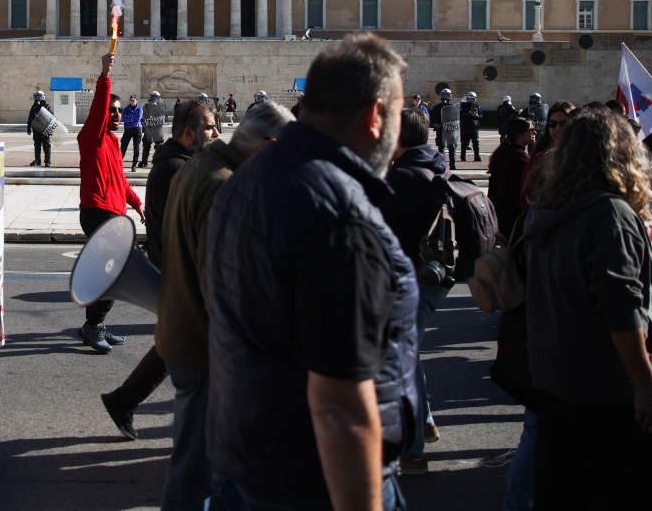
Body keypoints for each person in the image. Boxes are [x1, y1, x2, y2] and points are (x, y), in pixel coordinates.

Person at [208, 33, 418, 511]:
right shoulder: (340, 217)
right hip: (312, 480)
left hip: (248, 454)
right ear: (375, 115)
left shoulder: (250, 175)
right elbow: (340, 406)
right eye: (399, 114)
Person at [523, 106, 652, 509]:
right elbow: (621, 306)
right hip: (607, 392)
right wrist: (645, 387)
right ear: (622, 153)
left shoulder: (544, 212)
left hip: (555, 383)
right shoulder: (610, 214)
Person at [156, 100, 293, 510]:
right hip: (204, 348)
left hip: (185, 333)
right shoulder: (222, 184)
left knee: (206, 464)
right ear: (269, 146)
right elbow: (220, 286)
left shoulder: (200, 166)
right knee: (193, 473)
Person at [100, 99, 219, 441]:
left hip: (174, 267)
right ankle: (127, 401)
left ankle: (124, 400)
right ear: (188, 132)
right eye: (210, 128)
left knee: (177, 340)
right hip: (178, 270)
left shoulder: (175, 163)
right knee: (184, 342)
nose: (216, 133)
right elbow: (183, 228)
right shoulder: (179, 170)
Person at [381, 107, 452, 475]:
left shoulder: (405, 178)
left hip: (410, 281)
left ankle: (413, 452)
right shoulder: (434, 164)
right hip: (432, 276)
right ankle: (424, 422)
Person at [75, 52, 144, 354]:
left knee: (113, 271)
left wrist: (136, 203)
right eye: (112, 111)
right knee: (115, 270)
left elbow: (120, 179)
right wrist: (105, 73)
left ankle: (95, 324)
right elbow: (99, 108)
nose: (116, 115)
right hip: (96, 210)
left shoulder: (114, 143)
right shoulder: (92, 136)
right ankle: (93, 325)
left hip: (115, 213)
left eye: (119, 111)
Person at [520, 101, 576, 214]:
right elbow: (525, 197)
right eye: (553, 123)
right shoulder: (539, 159)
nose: (557, 129)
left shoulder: (580, 157)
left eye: (563, 123)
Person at [488, 118, 533, 227]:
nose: (534, 133)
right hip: (514, 216)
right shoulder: (520, 158)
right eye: (530, 130)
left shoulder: (503, 153)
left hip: (499, 213)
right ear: (520, 135)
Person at [430, 87, 459, 169]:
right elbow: (431, 117)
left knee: (452, 147)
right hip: (440, 129)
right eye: (444, 95)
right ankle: (442, 165)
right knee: (441, 147)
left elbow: (457, 118)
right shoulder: (437, 107)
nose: (445, 97)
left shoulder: (453, 107)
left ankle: (452, 165)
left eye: (447, 95)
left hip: (450, 129)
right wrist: (434, 124)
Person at [141, 90, 168, 167]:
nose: (154, 99)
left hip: (157, 129)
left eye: (155, 97)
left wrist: (154, 119)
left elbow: (164, 118)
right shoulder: (146, 106)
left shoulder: (161, 106)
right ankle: (144, 161)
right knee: (146, 146)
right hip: (148, 128)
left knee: (159, 147)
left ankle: (159, 162)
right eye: (153, 97)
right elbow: (144, 117)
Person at [26, 91, 53, 167]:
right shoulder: (34, 107)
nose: (37, 99)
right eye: (36, 97)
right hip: (36, 129)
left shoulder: (47, 107)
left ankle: (47, 161)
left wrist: (50, 129)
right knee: (37, 146)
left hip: (45, 130)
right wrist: (28, 128)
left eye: (39, 97)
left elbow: (51, 118)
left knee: (46, 145)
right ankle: (37, 161)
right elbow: (30, 118)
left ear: (42, 97)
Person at [120, 94, 145, 170]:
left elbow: (137, 118)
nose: (132, 102)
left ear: (136, 101)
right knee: (123, 146)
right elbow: (123, 118)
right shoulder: (126, 109)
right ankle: (119, 162)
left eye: (133, 100)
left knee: (136, 147)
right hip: (128, 129)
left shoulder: (139, 109)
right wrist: (132, 118)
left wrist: (129, 117)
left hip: (136, 129)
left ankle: (134, 164)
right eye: (131, 100)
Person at [460, 91, 483, 162]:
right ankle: (463, 157)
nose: (471, 100)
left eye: (472, 99)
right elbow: (461, 115)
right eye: (469, 99)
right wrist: (470, 114)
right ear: (467, 99)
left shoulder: (477, 106)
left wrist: (477, 116)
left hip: (474, 127)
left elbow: (481, 115)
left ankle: (477, 157)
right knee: (464, 143)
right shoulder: (463, 106)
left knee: (476, 143)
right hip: (465, 127)